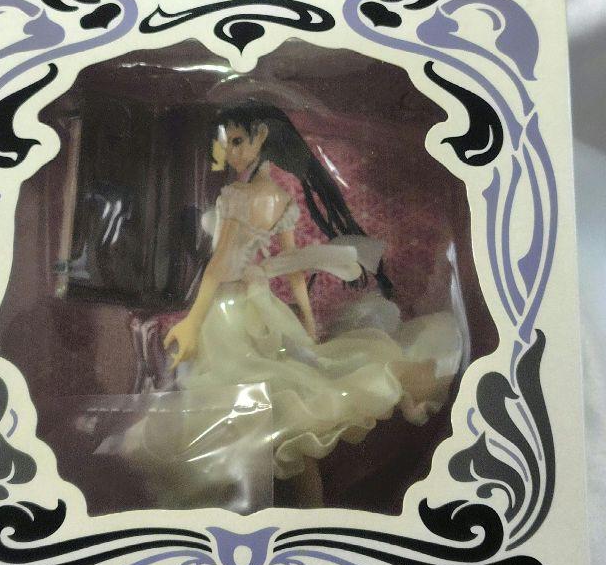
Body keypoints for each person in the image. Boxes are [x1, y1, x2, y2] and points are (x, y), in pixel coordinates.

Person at [164, 101, 459, 507]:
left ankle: (260, 508)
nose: (229, 152)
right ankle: (310, 511)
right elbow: (293, 270)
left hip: (231, 312)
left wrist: (191, 322)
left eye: (237, 141)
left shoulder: (237, 196)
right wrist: (306, 321)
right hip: (263, 306)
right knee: (291, 410)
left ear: (261, 138)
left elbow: (219, 266)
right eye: (225, 142)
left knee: (250, 408)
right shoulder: (280, 197)